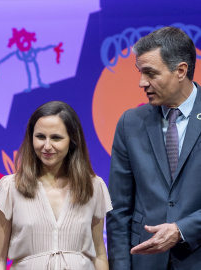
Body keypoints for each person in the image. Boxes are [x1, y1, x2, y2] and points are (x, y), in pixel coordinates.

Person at [106, 26, 201, 270]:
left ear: (181, 70)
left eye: (150, 73)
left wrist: (181, 230)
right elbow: (119, 211)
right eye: (140, 72)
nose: (141, 82)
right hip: (145, 263)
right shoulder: (130, 123)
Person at [0, 101, 112, 270]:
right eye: (40, 137)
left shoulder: (93, 187)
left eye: (56, 138)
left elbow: (99, 254)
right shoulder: (10, 187)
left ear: (72, 140)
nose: (47, 146)